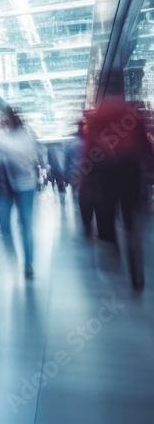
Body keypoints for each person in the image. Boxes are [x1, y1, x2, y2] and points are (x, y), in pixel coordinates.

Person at [83, 83, 153, 290]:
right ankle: (136, 266)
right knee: (131, 219)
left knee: (107, 211)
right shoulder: (131, 113)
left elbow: (90, 150)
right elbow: (145, 146)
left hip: (107, 171)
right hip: (130, 169)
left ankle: (111, 245)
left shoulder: (97, 117)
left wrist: (87, 180)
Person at [0, 109, 39, 278]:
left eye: (6, 119)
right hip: (6, 187)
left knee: (26, 224)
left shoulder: (24, 137)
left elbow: (15, 152)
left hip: (25, 186)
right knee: (4, 225)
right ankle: (15, 258)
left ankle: (28, 263)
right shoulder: (4, 137)